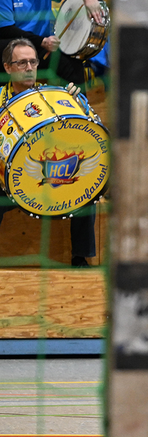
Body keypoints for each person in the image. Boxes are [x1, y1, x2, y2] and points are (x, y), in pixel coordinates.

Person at [0, 39, 97, 266]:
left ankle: (80, 258)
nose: (29, 68)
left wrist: (78, 102)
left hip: (51, 172)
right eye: (22, 63)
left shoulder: (52, 94)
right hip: (8, 178)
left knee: (86, 186)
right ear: (7, 67)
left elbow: (84, 130)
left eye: (33, 62)